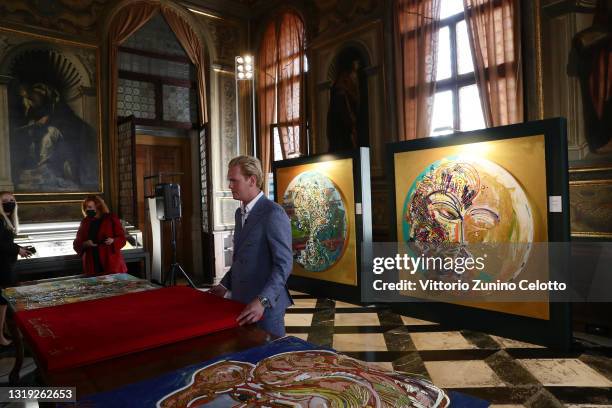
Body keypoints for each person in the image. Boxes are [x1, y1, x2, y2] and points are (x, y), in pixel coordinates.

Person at [209, 156, 293, 337]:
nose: (230, 185)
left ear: (252, 180)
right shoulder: (240, 213)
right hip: (241, 303)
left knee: (269, 361)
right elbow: (241, 258)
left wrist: (262, 301)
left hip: (267, 307)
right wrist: (224, 285)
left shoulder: (273, 213)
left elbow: (284, 265)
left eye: (234, 180)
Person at [0, 192, 32, 347]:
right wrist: (17, 250)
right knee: (2, 301)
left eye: (12, 200)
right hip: (2, 267)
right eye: (5, 200)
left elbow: (6, 243)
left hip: (6, 265)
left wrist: (20, 248)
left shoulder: (6, 220)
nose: (9, 202)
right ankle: (0, 337)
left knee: (3, 302)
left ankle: (2, 333)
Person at [73, 195, 127, 276]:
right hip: (92, 262)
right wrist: (85, 244)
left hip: (110, 261)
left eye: (90, 207)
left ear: (98, 207)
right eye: (85, 207)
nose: (87, 210)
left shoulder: (111, 219)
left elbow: (122, 239)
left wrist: (113, 240)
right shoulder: (85, 222)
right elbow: (77, 242)